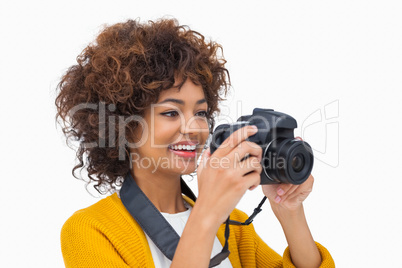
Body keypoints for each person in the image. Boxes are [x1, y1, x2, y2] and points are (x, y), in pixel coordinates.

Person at [56, 18, 335, 268]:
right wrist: (207, 214)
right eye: (170, 112)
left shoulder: (232, 226)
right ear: (125, 128)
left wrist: (288, 210)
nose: (194, 128)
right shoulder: (90, 230)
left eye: (200, 113)